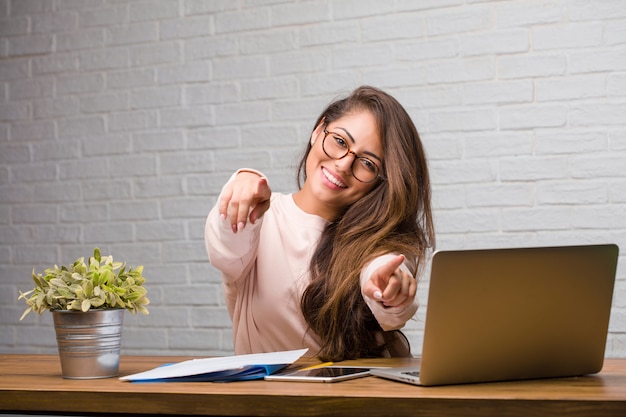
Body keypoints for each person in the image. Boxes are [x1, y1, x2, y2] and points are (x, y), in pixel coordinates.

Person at [205, 85, 435, 361]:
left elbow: (388, 302)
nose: (343, 164)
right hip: (272, 400)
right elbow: (224, 247)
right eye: (340, 141)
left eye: (367, 163)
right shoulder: (260, 218)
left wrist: (390, 290)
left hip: (371, 397)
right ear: (318, 130)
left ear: (380, 183)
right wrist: (239, 184)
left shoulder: (383, 241)